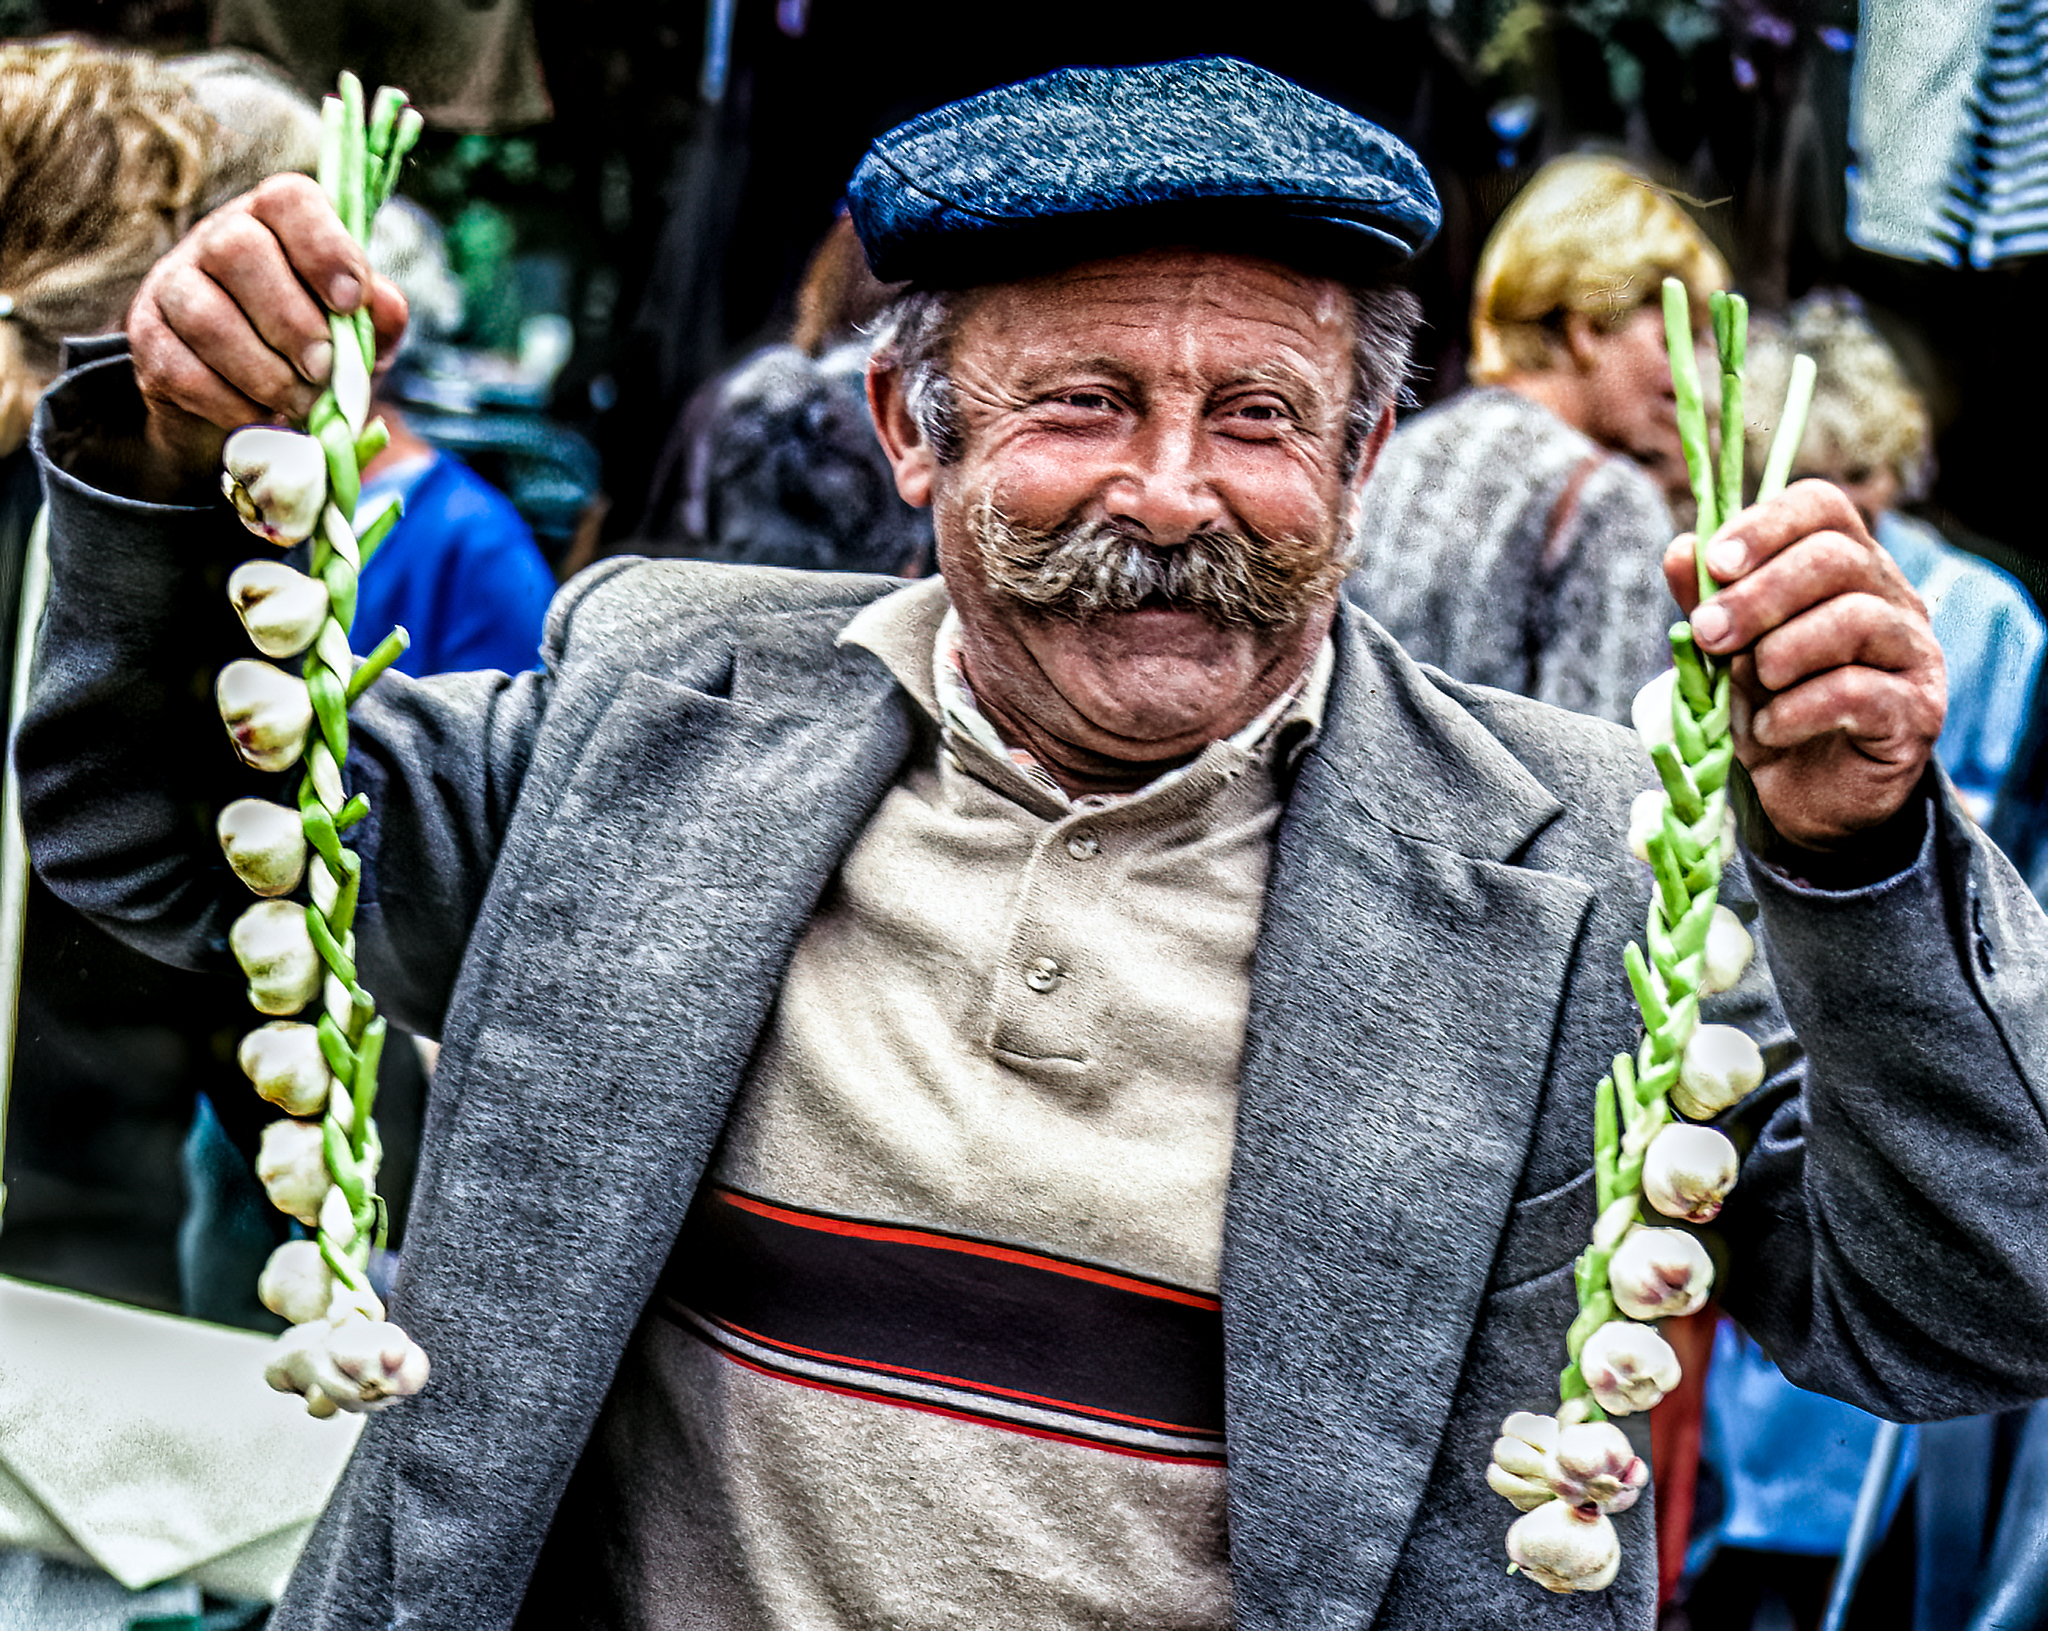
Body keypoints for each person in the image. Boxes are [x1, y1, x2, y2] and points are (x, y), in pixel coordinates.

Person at [17, 56, 2048, 1631]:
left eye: (1258, 415)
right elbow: (163, 840)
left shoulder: (1580, 875)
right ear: (914, 434)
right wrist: (179, 462)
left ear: (1357, 459)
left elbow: (1966, 1302)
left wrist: (1862, 860)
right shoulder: (647, 722)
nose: (1171, 493)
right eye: (1080, 399)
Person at [1349, 154, 1728, 725]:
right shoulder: (1609, 501)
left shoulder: (1393, 454)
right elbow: (1606, 780)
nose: (1698, 376)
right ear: (1590, 327)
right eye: (1682, 335)